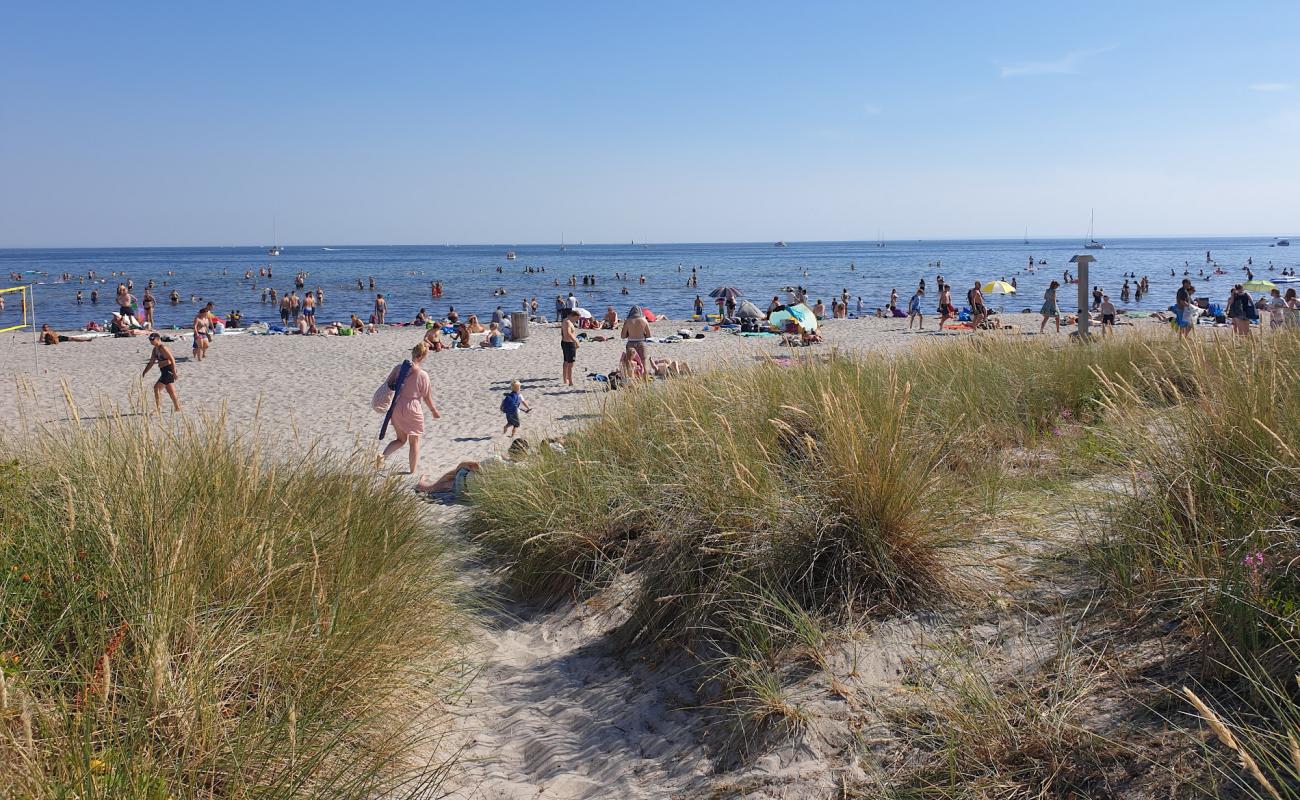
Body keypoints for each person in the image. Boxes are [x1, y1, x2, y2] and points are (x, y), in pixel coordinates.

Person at [378, 341, 441, 474]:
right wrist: (434, 410)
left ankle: (382, 456)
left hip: (397, 406)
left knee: (400, 439)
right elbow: (427, 397)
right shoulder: (423, 375)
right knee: (414, 441)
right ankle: (412, 471)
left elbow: (389, 384)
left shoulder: (398, 368)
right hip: (413, 408)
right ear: (423, 357)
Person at [142, 332, 181, 412]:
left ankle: (158, 408)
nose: (151, 341)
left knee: (156, 388)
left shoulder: (163, 348)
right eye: (150, 340)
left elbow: (172, 360)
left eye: (152, 340)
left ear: (158, 339)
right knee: (171, 391)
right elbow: (151, 362)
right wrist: (145, 371)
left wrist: (174, 373)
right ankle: (177, 407)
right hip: (164, 371)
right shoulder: (155, 349)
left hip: (169, 370)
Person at [621, 306, 651, 377]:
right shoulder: (644, 320)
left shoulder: (628, 321)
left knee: (629, 363)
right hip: (641, 342)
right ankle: (645, 380)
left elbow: (623, 336)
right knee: (644, 363)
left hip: (630, 343)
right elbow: (649, 335)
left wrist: (629, 334)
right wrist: (643, 335)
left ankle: (632, 379)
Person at [560, 309, 578, 386]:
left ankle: (565, 379)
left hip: (565, 342)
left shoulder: (565, 321)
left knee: (566, 362)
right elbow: (568, 333)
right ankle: (570, 381)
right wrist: (576, 341)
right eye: (577, 318)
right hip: (569, 343)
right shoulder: (567, 322)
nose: (577, 320)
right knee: (570, 364)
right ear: (573, 316)